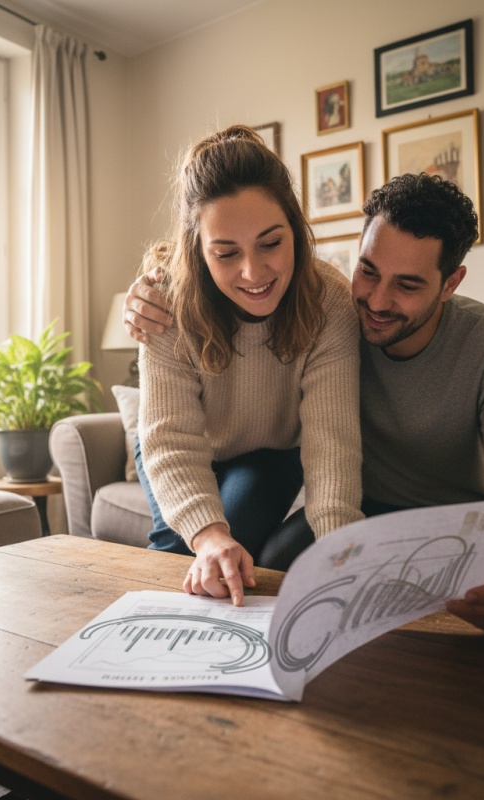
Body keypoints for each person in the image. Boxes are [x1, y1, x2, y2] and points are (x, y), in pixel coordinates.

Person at [125, 172, 484, 632]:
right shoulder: (335, 317)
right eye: (368, 270)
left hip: (466, 521)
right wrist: (148, 291)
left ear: (450, 283)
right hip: (365, 511)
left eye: (407, 285)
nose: (376, 301)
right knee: (272, 563)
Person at [134, 125, 363, 608]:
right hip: (181, 443)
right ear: (198, 250)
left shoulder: (331, 302)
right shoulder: (164, 303)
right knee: (184, 553)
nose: (253, 273)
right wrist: (208, 535)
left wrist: (343, 548)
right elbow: (171, 439)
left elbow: (331, 441)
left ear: (296, 230)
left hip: (270, 451)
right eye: (226, 253)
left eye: (270, 243)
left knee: (231, 554)